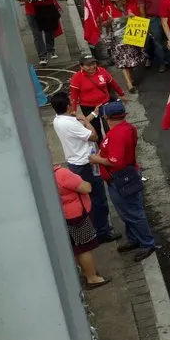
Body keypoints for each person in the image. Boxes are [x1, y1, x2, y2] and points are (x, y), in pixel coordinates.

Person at [89, 101, 156, 262]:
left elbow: (115, 161)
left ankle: (147, 243)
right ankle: (134, 239)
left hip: (120, 178)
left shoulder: (117, 135)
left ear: (106, 117)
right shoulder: (127, 129)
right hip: (125, 175)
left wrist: (97, 158)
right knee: (127, 212)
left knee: (133, 212)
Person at [51, 92, 118, 243]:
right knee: (98, 198)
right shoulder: (71, 123)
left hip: (75, 163)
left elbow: (79, 126)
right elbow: (93, 135)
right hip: (86, 163)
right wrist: (87, 123)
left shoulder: (58, 120)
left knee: (87, 198)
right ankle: (103, 232)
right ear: (68, 106)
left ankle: (96, 228)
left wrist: (93, 113)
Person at [54, 164, 111, 289]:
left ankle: (86, 273)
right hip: (77, 215)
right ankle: (92, 278)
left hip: (67, 215)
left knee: (77, 247)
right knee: (85, 248)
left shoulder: (46, 178)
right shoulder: (61, 174)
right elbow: (86, 188)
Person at [14, 0, 61, 65]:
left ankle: (50, 49)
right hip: (32, 11)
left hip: (46, 8)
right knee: (37, 34)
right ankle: (42, 56)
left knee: (49, 30)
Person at [68, 54, 125, 141]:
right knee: (95, 129)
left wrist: (121, 94)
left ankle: (110, 144)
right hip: (88, 108)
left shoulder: (102, 71)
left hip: (105, 104)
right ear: (81, 66)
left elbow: (112, 83)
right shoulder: (76, 78)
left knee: (108, 128)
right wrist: (73, 110)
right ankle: (101, 147)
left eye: (94, 64)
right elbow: (74, 96)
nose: (92, 67)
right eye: (88, 65)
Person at [102, 0, 146, 93]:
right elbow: (104, 24)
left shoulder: (129, 7)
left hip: (130, 37)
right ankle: (128, 83)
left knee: (130, 60)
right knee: (123, 61)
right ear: (116, 0)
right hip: (117, 40)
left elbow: (139, 18)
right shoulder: (109, 9)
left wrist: (133, 16)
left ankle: (130, 78)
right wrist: (109, 20)